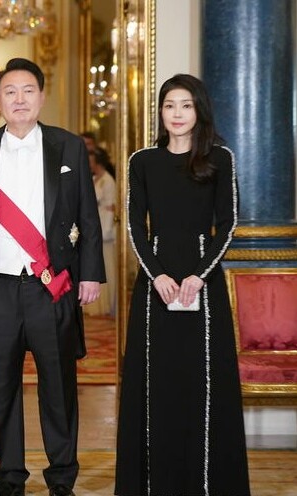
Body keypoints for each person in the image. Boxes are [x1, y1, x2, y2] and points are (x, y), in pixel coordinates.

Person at [0, 58, 105, 496]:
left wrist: (91, 273)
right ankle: (9, 476)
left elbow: (88, 216)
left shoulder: (68, 147)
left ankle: (62, 477)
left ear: (41, 96)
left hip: (51, 286)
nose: (19, 99)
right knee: (1, 387)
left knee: (59, 387)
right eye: (10, 92)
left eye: (28, 90)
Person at [115, 74, 250, 495]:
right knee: (159, 384)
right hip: (156, 287)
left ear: (199, 111)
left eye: (186, 105)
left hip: (202, 286)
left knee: (202, 384)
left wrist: (198, 275)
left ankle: (205, 483)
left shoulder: (220, 159)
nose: (177, 113)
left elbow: (228, 224)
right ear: (160, 111)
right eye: (169, 105)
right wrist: (157, 274)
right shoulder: (143, 161)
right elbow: (135, 227)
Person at [84, 150, 117, 316]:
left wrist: (107, 230)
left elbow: (111, 207)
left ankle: (106, 304)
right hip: (93, 223)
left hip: (105, 226)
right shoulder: (93, 179)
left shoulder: (108, 180)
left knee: (106, 265)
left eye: (91, 161)